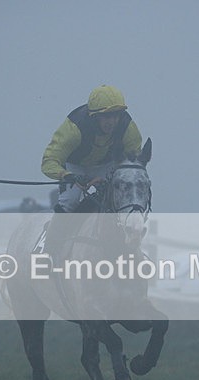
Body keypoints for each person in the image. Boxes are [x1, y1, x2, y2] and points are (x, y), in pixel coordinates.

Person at [41, 85, 142, 256]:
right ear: (94, 117)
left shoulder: (127, 127)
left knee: (122, 202)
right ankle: (48, 253)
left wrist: (115, 178)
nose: (112, 121)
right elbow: (49, 161)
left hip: (107, 165)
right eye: (106, 116)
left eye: (116, 115)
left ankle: (132, 252)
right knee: (69, 202)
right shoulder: (73, 128)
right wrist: (69, 176)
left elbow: (132, 162)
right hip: (74, 166)